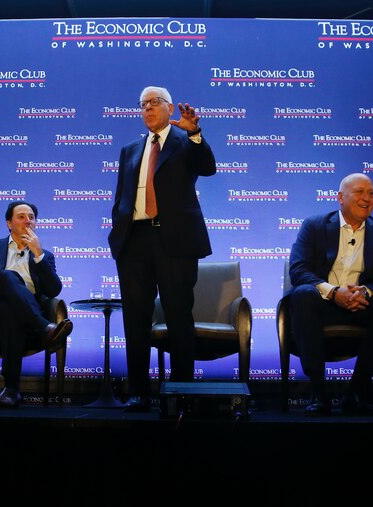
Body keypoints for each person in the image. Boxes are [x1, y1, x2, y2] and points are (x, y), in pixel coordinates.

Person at [108, 85, 217, 412]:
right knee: (135, 319)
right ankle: (139, 392)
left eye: (154, 103)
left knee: (178, 316)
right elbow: (122, 196)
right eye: (142, 105)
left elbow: (208, 166)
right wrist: (119, 233)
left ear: (170, 108)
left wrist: (195, 132)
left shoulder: (185, 142)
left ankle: (181, 392)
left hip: (174, 240)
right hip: (135, 241)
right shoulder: (130, 149)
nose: (147, 109)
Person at [287, 173, 373, 416]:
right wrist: (333, 293)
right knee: (303, 294)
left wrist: (365, 293)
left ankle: (357, 392)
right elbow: (299, 270)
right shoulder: (315, 226)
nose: (367, 198)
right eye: (359, 192)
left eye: (370, 193)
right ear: (340, 197)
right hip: (322, 306)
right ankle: (318, 393)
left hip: (360, 306)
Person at [0, 201, 73, 409]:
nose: (27, 220)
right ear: (9, 223)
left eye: (31, 217)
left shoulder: (44, 255)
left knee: (10, 308)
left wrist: (38, 255)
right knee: (8, 276)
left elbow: (54, 290)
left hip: (19, 315)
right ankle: (44, 328)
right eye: (21, 216)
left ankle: (11, 390)